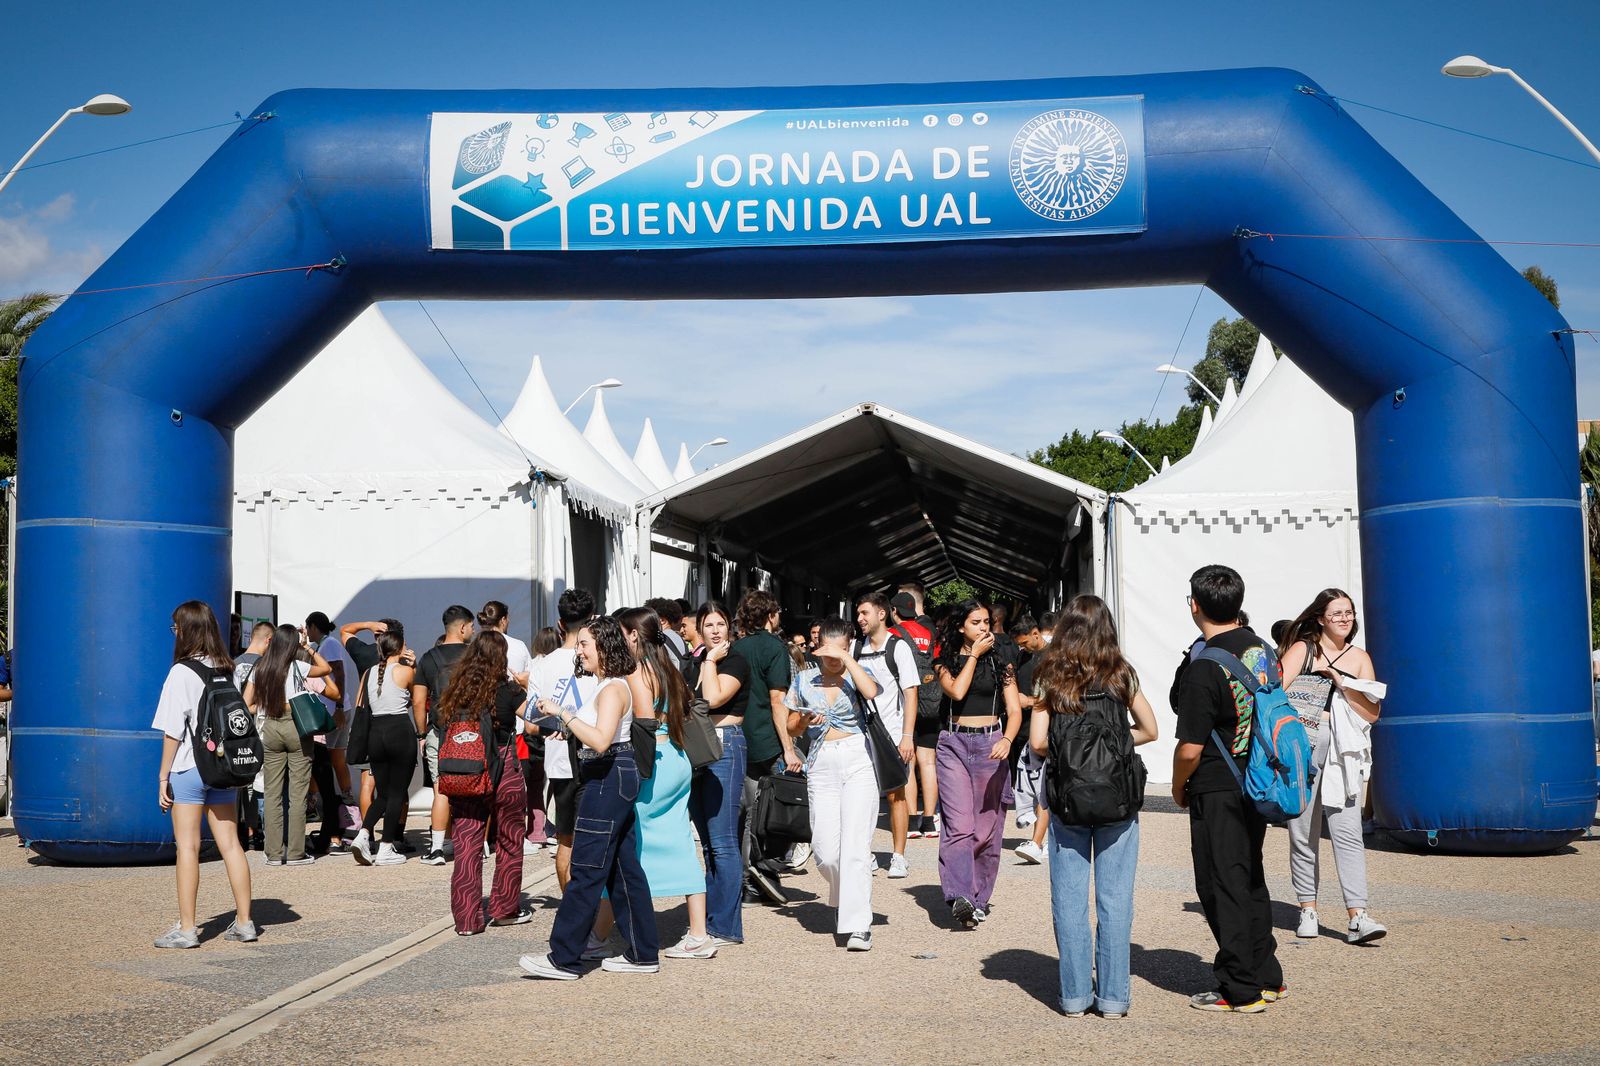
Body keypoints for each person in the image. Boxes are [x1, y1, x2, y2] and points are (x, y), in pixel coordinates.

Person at [1030, 595, 1158, 1018]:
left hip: (1067, 798)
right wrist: (1115, 744)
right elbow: (1150, 730)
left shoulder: (1050, 674)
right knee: (1115, 899)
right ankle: (1114, 999)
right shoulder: (1122, 673)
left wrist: (1074, 750)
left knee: (1069, 899)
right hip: (1117, 798)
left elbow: (1037, 743)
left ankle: (1073, 996)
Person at [1170, 564, 1283, 1014]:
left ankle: (1240, 987)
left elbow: (1189, 749)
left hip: (1217, 783)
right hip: (1258, 775)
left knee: (1220, 882)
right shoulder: (1264, 651)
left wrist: (1179, 788)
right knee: (1249, 875)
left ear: (1195, 605)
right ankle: (1267, 976)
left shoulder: (1204, 667)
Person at [520, 615, 658, 979]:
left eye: (584, 644)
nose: (578, 650)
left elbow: (601, 739)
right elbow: (596, 732)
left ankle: (564, 958)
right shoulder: (605, 685)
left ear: (604, 648)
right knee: (623, 869)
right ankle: (644, 953)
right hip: (612, 772)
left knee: (586, 867)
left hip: (609, 774)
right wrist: (568, 730)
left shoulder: (613, 688)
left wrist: (562, 713)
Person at [1278, 589, 1386, 945]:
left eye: (1349, 613)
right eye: (1336, 613)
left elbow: (1373, 712)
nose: (1344, 618)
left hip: (1344, 748)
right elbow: (1275, 693)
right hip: (1304, 743)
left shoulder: (1359, 658)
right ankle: (1307, 907)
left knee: (1348, 832)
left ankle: (1358, 915)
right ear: (1320, 618)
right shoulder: (1303, 649)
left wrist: (1343, 685)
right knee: (1302, 830)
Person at [611, 608, 714, 959]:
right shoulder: (667, 668)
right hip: (676, 758)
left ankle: (599, 930)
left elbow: (643, 724)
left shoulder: (637, 673)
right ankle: (699, 933)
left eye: (621, 632)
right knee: (681, 841)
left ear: (634, 636)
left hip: (651, 762)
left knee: (624, 843)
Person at [151, 600, 255, 947]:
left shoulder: (182, 672)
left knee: (188, 848)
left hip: (190, 768)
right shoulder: (230, 669)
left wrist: (163, 776)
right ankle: (244, 922)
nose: (174, 633)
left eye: (175, 627)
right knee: (230, 844)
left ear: (186, 630)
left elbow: (172, 732)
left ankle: (188, 928)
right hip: (224, 768)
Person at [785, 618, 882, 950]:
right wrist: (804, 718)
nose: (832, 658)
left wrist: (848, 658)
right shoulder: (803, 679)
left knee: (855, 846)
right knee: (826, 853)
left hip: (857, 757)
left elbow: (872, 692)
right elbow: (792, 727)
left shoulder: (855, 675)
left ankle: (859, 925)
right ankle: (849, 893)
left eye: (839, 649)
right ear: (818, 646)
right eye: (828, 650)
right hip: (821, 760)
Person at [933, 599, 1021, 929]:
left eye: (986, 621)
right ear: (961, 628)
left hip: (990, 744)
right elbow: (956, 692)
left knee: (987, 830)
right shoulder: (945, 662)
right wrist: (972, 657)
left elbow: (1014, 712)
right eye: (975, 622)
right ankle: (960, 895)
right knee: (959, 827)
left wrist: (1007, 740)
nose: (984, 627)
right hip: (953, 744)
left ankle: (978, 898)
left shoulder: (1003, 664)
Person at [436, 630, 529, 933]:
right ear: (501, 658)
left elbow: (439, 724)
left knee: (466, 845)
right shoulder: (509, 691)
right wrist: (528, 688)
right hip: (504, 770)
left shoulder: (455, 691)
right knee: (510, 841)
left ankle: (467, 920)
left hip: (465, 773)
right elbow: (533, 723)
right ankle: (504, 909)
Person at [687, 600, 751, 946]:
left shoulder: (735, 661)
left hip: (725, 746)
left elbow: (711, 699)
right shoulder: (694, 661)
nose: (714, 630)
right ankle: (712, 918)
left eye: (720, 624)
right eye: (708, 624)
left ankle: (726, 925)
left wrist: (710, 660)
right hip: (697, 750)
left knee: (724, 840)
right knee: (709, 843)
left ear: (730, 628)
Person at [243, 624, 335, 866]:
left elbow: (246, 703)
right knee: (297, 793)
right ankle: (295, 852)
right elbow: (327, 668)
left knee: (272, 792)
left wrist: (262, 708)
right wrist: (308, 648)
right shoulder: (298, 665)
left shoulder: (260, 667)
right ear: (292, 645)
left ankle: (273, 853)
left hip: (270, 727)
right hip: (296, 726)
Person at [528, 588, 598, 890]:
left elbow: (532, 723)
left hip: (559, 762)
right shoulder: (599, 658)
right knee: (596, 839)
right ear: (592, 620)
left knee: (566, 841)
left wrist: (556, 722)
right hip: (598, 754)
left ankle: (571, 907)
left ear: (560, 623)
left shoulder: (542, 665)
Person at [733, 589, 796, 905]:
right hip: (769, 740)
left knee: (749, 814)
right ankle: (764, 870)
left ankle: (748, 883)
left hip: (740, 736)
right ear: (771, 615)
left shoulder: (737, 647)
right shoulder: (775, 648)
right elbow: (777, 699)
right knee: (778, 812)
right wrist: (788, 747)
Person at [853, 592, 918, 878]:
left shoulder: (899, 647)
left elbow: (911, 692)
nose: (860, 619)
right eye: (858, 614)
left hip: (892, 733)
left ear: (882, 614)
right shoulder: (856, 648)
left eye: (865, 613)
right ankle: (864, 852)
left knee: (896, 795)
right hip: (861, 735)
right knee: (862, 796)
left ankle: (899, 855)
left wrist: (907, 735)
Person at [349, 621, 420, 866]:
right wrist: (414, 664)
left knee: (384, 793)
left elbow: (363, 703)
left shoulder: (369, 673)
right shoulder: (406, 671)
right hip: (399, 730)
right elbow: (418, 698)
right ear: (399, 648)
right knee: (397, 793)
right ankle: (387, 846)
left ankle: (363, 833)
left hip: (375, 733)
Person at [413, 605, 475, 865]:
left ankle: (437, 849)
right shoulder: (475, 656)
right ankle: (473, 845)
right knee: (473, 789)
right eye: (472, 626)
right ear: (462, 628)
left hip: (440, 731)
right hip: (473, 731)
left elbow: (418, 701)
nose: (473, 631)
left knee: (442, 790)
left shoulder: (429, 658)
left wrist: (421, 733)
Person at [306, 612, 356, 855]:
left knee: (333, 761)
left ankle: (345, 804)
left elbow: (340, 673)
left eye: (308, 628)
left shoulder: (331, 644)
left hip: (333, 711)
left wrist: (337, 707)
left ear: (314, 627)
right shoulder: (320, 645)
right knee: (326, 762)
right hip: (325, 713)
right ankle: (331, 806)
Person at [891, 590, 939, 841]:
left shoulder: (893, 634)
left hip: (905, 704)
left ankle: (911, 820)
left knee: (907, 761)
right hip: (931, 703)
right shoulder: (931, 633)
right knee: (928, 762)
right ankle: (930, 821)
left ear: (894, 612)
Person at [479, 600, 532, 687]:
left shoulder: (477, 645)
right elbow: (530, 675)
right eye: (507, 618)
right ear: (503, 620)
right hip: (515, 696)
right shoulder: (519, 645)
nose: (509, 621)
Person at [645, 597, 690, 667]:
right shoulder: (677, 637)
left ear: (662, 620)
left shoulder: (660, 639)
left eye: (649, 617)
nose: (646, 621)